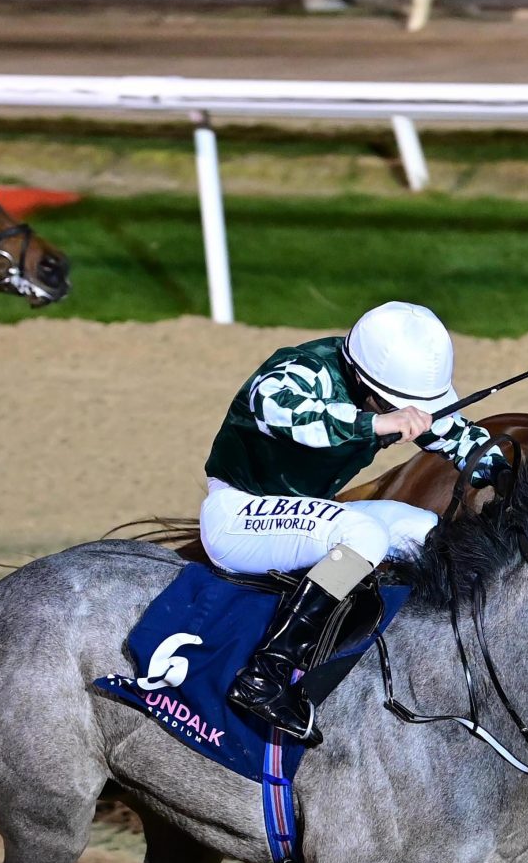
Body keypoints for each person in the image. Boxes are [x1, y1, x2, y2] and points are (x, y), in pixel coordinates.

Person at [201, 300, 500, 741]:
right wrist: (375, 424)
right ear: (364, 381)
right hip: (239, 515)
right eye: (396, 405)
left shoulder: (382, 392)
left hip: (303, 514)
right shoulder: (298, 369)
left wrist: (502, 470)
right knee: (364, 535)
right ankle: (267, 674)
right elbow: (284, 412)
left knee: (424, 532)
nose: (405, 416)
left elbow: (454, 435)